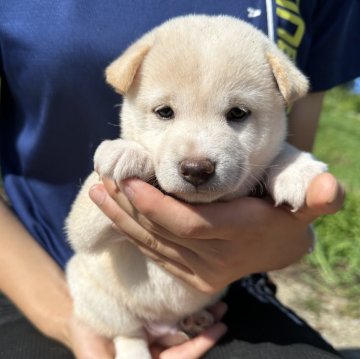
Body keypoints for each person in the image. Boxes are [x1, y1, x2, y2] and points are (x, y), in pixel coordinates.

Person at [0, 1, 358, 358]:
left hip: (228, 293)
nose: (197, 160)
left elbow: (286, 160)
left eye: (237, 113)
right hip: (58, 281)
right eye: (165, 112)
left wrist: (294, 222)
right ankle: (130, 339)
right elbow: (84, 239)